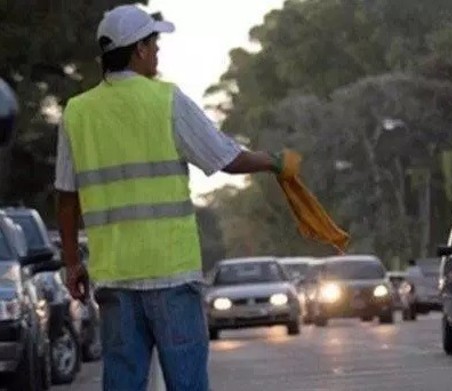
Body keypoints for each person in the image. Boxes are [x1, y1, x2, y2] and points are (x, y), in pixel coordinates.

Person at [55, 5, 288, 391]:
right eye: (155, 44)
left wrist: (71, 263)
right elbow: (226, 158)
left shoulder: (76, 113)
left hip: (115, 277)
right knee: (187, 383)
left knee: (123, 383)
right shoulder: (166, 100)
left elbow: (66, 198)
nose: (158, 52)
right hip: (172, 275)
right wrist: (276, 162)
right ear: (140, 50)